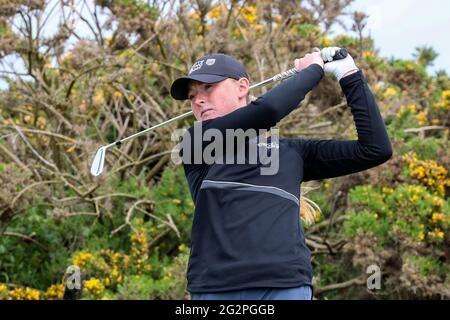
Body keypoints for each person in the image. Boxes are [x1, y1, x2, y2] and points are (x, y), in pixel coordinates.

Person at [170, 47, 393, 300]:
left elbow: (375, 149)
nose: (198, 100)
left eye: (208, 88)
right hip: (215, 290)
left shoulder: (291, 153)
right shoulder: (195, 143)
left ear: (242, 87)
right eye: (192, 96)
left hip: (286, 286)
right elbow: (268, 110)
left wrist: (349, 75)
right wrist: (313, 70)